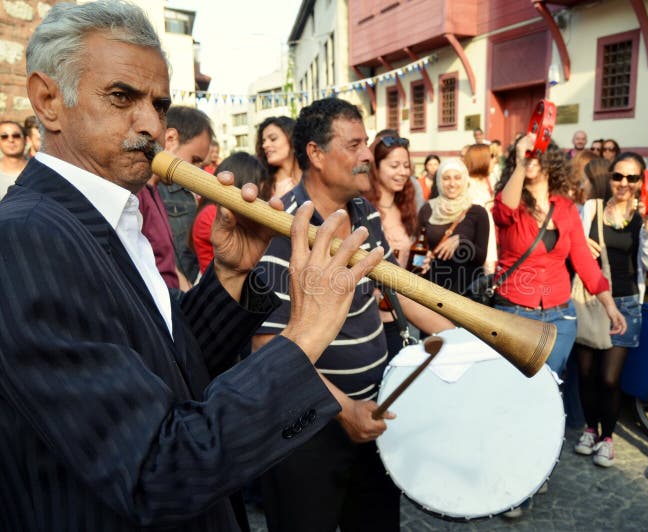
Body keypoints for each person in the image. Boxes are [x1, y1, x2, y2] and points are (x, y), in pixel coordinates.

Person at [0, 2, 385, 530]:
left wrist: (228, 278)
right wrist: (305, 335)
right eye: (121, 98)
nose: (151, 125)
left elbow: (168, 370)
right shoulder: (24, 238)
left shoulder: (110, 213)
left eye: (159, 104)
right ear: (48, 101)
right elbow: (155, 470)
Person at [254, 97, 453, 532]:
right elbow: (266, 345)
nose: (368, 154)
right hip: (307, 431)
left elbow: (401, 290)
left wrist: (467, 337)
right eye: (355, 144)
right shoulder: (282, 226)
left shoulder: (363, 211)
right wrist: (344, 410)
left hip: (373, 415)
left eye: (367, 143)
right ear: (316, 155)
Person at [492, 136, 626, 378]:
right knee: (515, 386)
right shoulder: (511, 200)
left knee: (551, 386)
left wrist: (609, 305)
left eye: (536, 152)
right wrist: (523, 160)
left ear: (550, 159)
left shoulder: (564, 206)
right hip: (515, 311)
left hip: (560, 315)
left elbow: (583, 259)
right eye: (523, 153)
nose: (531, 157)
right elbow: (505, 212)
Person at [573, 153, 648, 468]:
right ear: (609, 177)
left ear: (641, 182)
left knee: (609, 378)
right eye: (618, 176)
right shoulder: (593, 209)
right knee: (585, 373)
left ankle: (606, 437)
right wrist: (582, 243)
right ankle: (589, 429)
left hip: (626, 301)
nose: (624, 183)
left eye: (631, 178)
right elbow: (576, 248)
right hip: (591, 299)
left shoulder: (645, 213)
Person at [140, 105, 213, 289]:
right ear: (170, 139)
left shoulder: (152, 191)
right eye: (194, 160)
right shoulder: (137, 195)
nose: (197, 171)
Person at [363, 133, 418, 356]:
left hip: (401, 315)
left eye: (406, 165)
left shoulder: (406, 209)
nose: (402, 172)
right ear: (376, 167)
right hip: (369, 320)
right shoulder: (363, 210)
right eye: (394, 165)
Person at [418, 157, 490, 295]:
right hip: (432, 288)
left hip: (465, 291)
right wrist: (421, 260)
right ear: (439, 180)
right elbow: (419, 247)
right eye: (446, 178)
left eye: (457, 178)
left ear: (464, 180)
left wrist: (461, 240)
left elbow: (481, 258)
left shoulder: (477, 212)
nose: (452, 183)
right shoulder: (428, 209)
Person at [191, 152, 268, 274]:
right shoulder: (213, 214)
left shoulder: (215, 211)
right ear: (243, 183)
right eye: (259, 188)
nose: (259, 197)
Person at [464, 143, 498, 274]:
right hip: (476, 252)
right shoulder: (467, 185)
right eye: (491, 157)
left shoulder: (485, 181)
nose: (494, 161)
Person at [255, 115, 302, 198]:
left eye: (273, 139)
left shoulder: (311, 177)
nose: (265, 145)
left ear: (291, 139)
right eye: (263, 141)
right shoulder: (263, 186)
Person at [0, 120, 27, 197]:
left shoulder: (38, 171)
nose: (11, 140)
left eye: (16, 135)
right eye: (4, 137)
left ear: (26, 140)